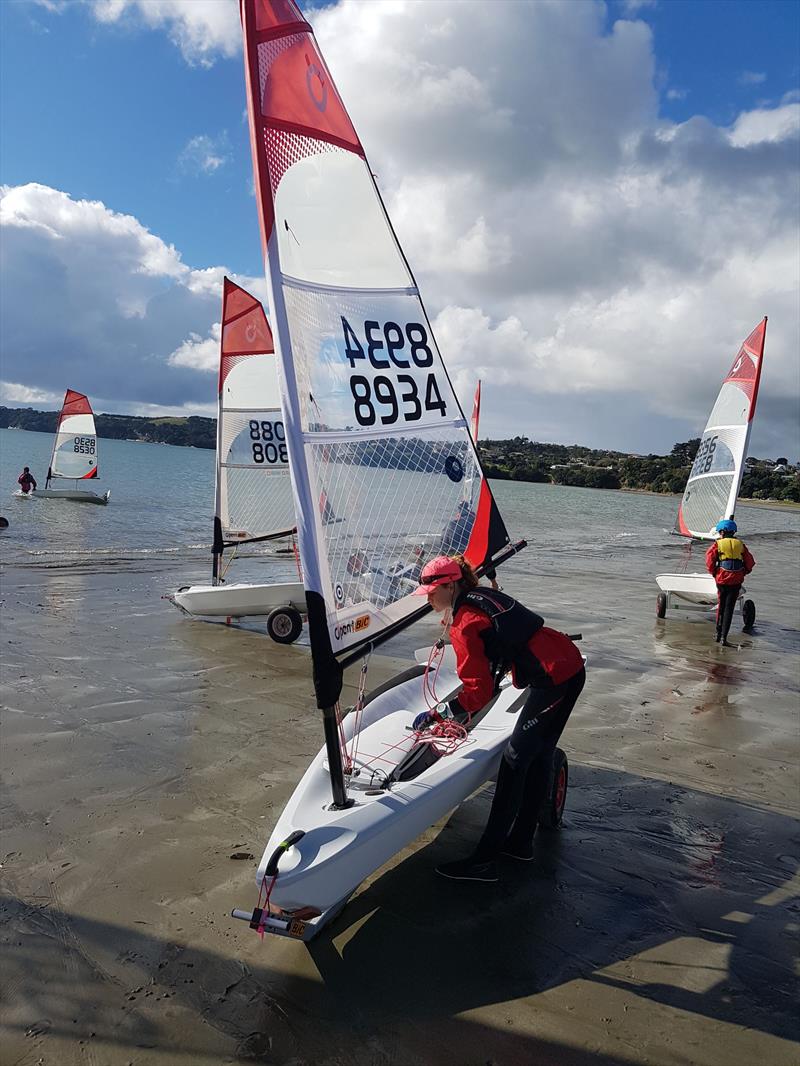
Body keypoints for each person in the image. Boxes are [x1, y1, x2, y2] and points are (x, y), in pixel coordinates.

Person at [412, 554, 585, 883]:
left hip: (555, 677)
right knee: (537, 758)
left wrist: (441, 713)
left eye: (433, 592)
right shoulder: (480, 596)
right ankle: (520, 845)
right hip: (567, 664)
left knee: (515, 761)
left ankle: (483, 862)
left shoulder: (464, 623)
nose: (429, 598)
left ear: (451, 586)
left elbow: (479, 692)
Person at [706, 519, 755, 646]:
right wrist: (743, 572)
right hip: (736, 580)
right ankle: (724, 638)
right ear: (733, 532)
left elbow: (709, 561)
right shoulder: (741, 545)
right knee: (729, 608)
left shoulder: (718, 544)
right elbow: (750, 563)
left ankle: (717, 634)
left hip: (722, 579)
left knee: (721, 606)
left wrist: (714, 573)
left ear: (722, 532)